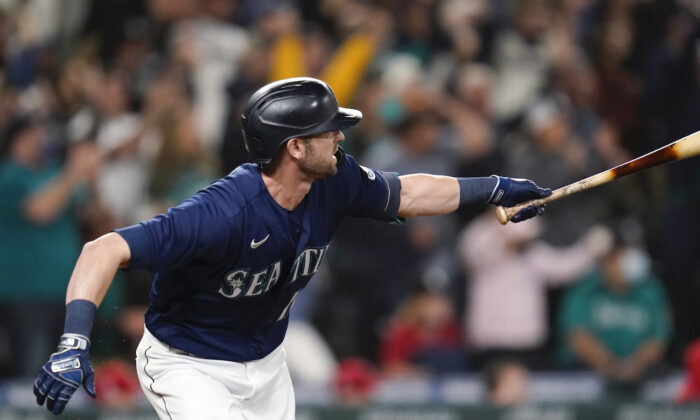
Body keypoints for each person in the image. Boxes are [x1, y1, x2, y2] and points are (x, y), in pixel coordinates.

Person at [33, 77, 551, 418]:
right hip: (187, 362)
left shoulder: (335, 179)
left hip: (266, 361)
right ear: (295, 147)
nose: (341, 140)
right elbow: (101, 250)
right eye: (330, 132)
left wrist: (495, 188)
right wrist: (73, 342)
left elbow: (409, 191)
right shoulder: (220, 213)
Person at [557, 242, 671, 397]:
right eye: (623, 257)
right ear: (608, 261)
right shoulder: (586, 289)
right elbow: (577, 336)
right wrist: (610, 366)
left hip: (641, 376)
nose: (631, 263)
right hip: (585, 377)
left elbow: (659, 338)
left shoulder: (651, 290)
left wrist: (634, 366)